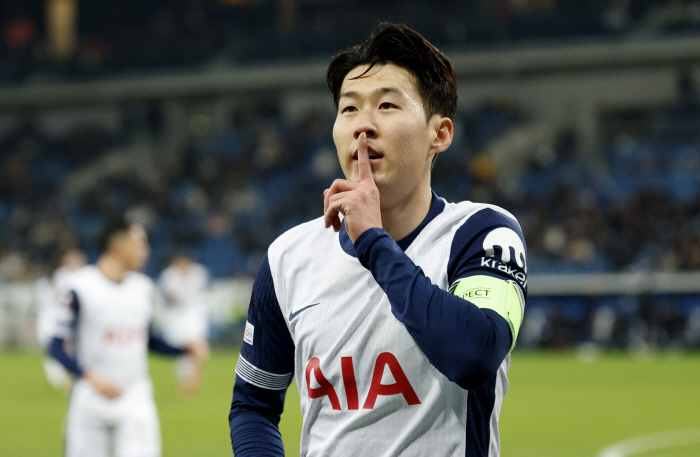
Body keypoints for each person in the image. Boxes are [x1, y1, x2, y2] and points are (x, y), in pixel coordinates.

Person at [229, 23, 527, 457]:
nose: (363, 126)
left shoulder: (481, 233)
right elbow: (253, 406)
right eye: (349, 109)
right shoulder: (287, 258)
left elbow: (474, 355)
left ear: (439, 135)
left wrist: (372, 239)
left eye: (387, 105)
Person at [47, 218, 208, 457]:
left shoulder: (142, 288)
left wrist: (185, 349)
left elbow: (149, 341)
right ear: (118, 245)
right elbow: (55, 346)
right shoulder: (80, 288)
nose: (146, 251)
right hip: (90, 404)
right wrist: (90, 377)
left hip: (135, 400)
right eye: (141, 243)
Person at [157, 252, 211, 397]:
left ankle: (191, 377)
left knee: (197, 347)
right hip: (176, 318)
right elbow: (173, 297)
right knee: (182, 351)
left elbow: (199, 290)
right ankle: (188, 377)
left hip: (194, 315)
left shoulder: (198, 272)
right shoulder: (168, 275)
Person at [35, 248, 87, 392]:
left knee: (72, 349)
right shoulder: (62, 275)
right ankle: (64, 378)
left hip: (74, 320)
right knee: (55, 349)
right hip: (57, 318)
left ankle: (71, 377)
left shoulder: (82, 275)